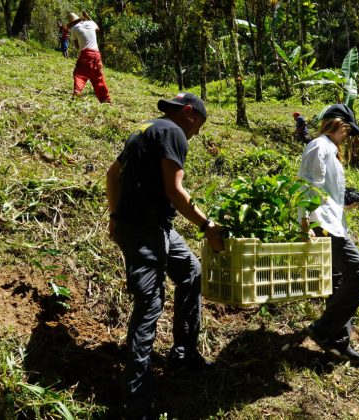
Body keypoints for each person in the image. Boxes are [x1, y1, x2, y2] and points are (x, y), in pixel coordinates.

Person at [106, 92, 225, 419]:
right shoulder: (173, 132)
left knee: (191, 272)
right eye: (199, 124)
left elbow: (112, 175)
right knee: (149, 306)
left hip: (155, 227)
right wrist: (207, 226)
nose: (197, 133)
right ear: (188, 112)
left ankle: (184, 354)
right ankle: (136, 402)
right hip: (144, 232)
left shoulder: (144, 129)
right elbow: (176, 191)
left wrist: (115, 217)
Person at [297, 103, 359, 367]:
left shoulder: (329, 150)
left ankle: (338, 345)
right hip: (324, 225)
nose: (348, 137)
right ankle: (322, 330)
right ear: (340, 125)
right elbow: (308, 186)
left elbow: (325, 192)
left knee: (338, 281)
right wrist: (305, 223)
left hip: (331, 221)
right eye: (348, 131)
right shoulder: (320, 146)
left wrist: (343, 204)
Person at [67, 12, 111, 103]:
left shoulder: (74, 29)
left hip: (86, 54)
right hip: (96, 55)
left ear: (71, 23)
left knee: (79, 74)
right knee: (98, 78)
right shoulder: (91, 23)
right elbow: (98, 29)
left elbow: (77, 46)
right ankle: (106, 100)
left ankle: (77, 92)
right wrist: (88, 17)